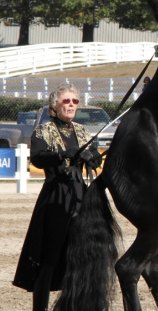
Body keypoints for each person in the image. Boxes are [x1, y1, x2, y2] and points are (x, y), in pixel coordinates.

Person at [12, 83, 102, 311]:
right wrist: (62, 154)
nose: (71, 105)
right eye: (66, 101)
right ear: (55, 105)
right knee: (49, 258)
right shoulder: (44, 130)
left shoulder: (82, 131)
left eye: (75, 101)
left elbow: (94, 156)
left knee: (82, 256)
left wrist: (93, 158)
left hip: (81, 195)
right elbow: (39, 158)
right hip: (55, 197)